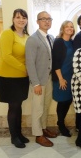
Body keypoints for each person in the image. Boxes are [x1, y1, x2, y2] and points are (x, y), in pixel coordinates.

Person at [0, 9, 30, 148]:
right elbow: (7, 56)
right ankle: (14, 137)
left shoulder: (26, 35)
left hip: (22, 77)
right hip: (8, 76)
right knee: (13, 107)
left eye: (23, 18)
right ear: (13, 19)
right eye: (18, 17)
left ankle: (19, 133)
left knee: (19, 105)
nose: (21, 20)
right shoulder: (7, 34)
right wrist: (25, 69)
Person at [26, 11, 57, 147]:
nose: (47, 21)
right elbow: (30, 63)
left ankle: (43, 128)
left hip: (49, 78)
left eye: (49, 19)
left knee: (45, 105)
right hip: (39, 80)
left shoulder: (50, 37)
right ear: (37, 21)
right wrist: (35, 83)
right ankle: (38, 135)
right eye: (43, 19)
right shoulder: (33, 39)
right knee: (38, 108)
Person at [52, 20, 76, 137]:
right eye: (67, 26)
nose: (70, 28)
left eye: (71, 27)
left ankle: (61, 122)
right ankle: (61, 124)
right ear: (63, 28)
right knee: (62, 101)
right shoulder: (58, 42)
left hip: (71, 77)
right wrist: (61, 79)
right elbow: (55, 62)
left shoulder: (71, 42)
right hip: (61, 76)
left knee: (68, 100)